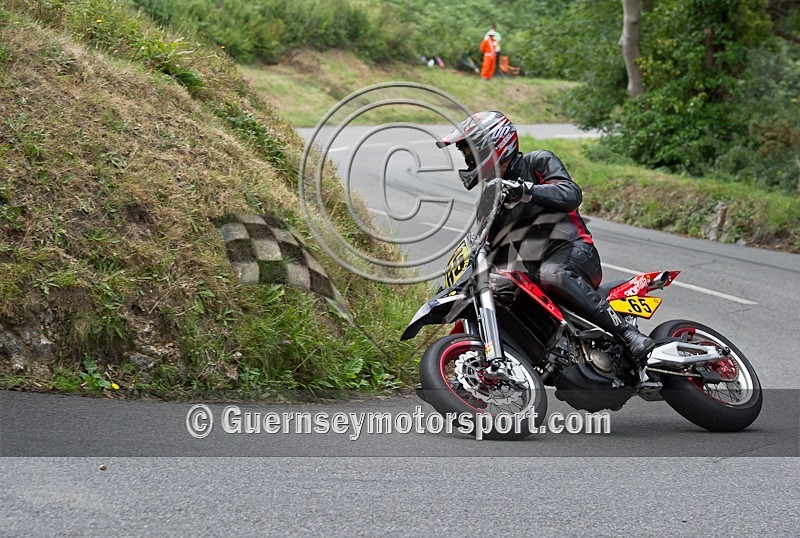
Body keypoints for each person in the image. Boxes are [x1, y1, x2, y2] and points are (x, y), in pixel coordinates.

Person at [436, 111, 655, 378]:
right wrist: (460, 278)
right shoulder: (490, 199)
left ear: (492, 144)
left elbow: (570, 194)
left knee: (552, 275)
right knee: (503, 294)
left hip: (574, 251)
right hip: (534, 273)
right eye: (465, 154)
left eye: (470, 152)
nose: (468, 160)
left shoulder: (537, 161)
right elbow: (486, 246)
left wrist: (525, 190)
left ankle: (629, 334)